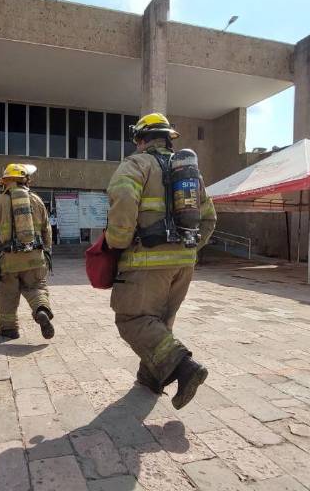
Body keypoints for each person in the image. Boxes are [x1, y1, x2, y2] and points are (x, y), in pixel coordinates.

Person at [105, 112, 216, 410]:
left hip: (146, 262)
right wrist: (189, 250)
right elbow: (209, 219)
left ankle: (184, 367)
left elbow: (123, 198)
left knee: (133, 319)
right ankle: (151, 378)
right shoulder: (190, 176)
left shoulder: (136, 164)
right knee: (160, 323)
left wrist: (117, 242)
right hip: (183, 264)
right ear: (168, 138)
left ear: (141, 140)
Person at [0, 163, 55, 340]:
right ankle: (41, 310)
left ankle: (9, 329)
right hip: (35, 257)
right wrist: (46, 250)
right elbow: (47, 230)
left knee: (7, 295)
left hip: (8, 260)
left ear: (5, 182)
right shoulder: (38, 201)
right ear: (25, 180)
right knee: (36, 288)